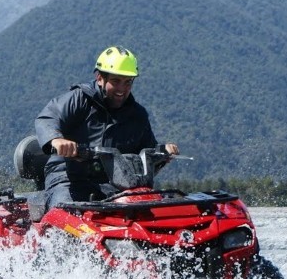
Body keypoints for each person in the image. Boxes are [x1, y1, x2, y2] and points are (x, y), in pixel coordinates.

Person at [35, 46, 179, 209]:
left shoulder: (137, 115)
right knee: (67, 212)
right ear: (100, 78)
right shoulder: (79, 99)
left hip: (112, 184)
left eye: (127, 82)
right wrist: (57, 140)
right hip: (67, 178)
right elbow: (48, 117)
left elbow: (145, 156)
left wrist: (162, 154)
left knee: (148, 212)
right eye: (116, 81)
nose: (122, 89)